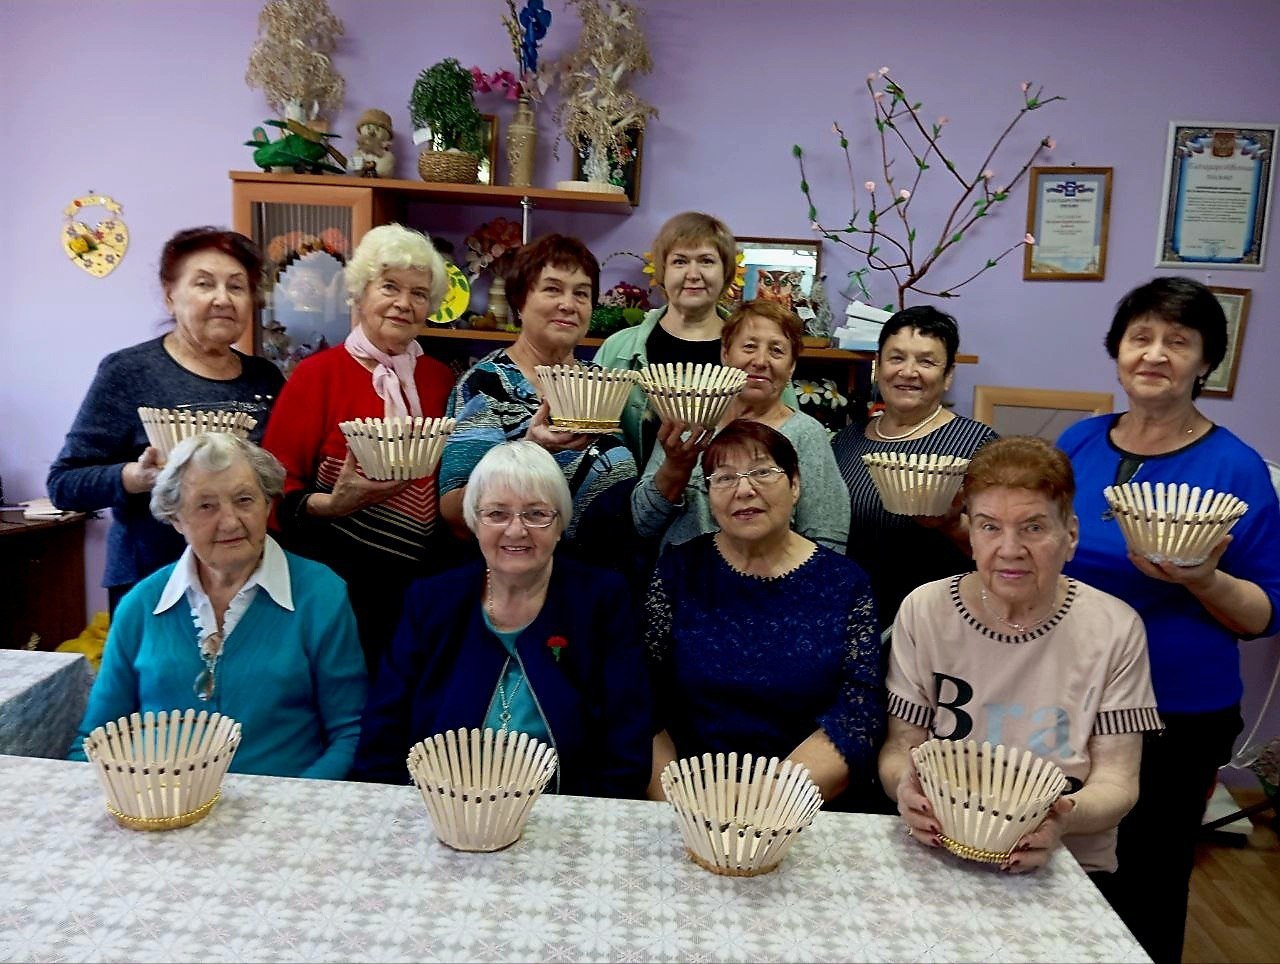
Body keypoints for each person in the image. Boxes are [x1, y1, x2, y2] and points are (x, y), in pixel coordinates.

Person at [1056, 277, 1280, 962]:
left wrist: (1204, 579)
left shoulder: (1235, 467)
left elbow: (1265, 614)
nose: (1155, 354)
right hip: (1066, 695)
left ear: (1205, 361)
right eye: (1141, 337)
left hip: (1175, 711)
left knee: (1147, 878)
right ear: (1118, 350)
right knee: (1057, 862)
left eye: (1178, 342)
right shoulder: (1080, 442)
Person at [879, 436, 1161, 878]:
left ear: (1070, 535)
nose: (1010, 549)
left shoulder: (1115, 628)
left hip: (1064, 862)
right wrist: (904, 788)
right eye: (990, 527)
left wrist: (1061, 818)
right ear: (971, 535)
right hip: (939, 848)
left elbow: (1118, 781)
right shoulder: (925, 610)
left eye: (1033, 527)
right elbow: (901, 748)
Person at [352, 441, 652, 798]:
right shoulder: (432, 600)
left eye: (536, 514)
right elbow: (383, 727)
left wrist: (585, 815)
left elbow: (627, 735)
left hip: (565, 807)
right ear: (474, 522)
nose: (516, 530)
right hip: (442, 806)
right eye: (497, 514)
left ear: (560, 524)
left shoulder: (601, 598)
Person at [68, 434, 367, 779]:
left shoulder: (320, 594)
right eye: (206, 506)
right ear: (175, 518)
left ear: (268, 504)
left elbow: (349, 734)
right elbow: (94, 740)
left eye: (244, 500)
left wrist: (292, 806)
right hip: (158, 803)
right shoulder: (141, 604)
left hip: (284, 803)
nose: (230, 522)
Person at [644, 421, 883, 808]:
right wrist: (680, 803)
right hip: (690, 798)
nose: (744, 490)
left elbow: (858, 711)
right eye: (724, 477)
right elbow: (642, 696)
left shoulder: (845, 583)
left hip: (798, 801)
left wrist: (765, 803)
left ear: (795, 485)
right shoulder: (678, 570)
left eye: (762, 472)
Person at [48, 226, 285, 612]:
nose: (223, 299)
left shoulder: (265, 378)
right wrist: (136, 477)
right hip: (151, 581)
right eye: (204, 284)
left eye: (237, 287)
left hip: (244, 578)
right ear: (170, 295)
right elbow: (64, 484)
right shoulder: (127, 372)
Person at [261, 223, 455, 671]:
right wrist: (331, 504)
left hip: (419, 594)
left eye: (419, 293)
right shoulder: (316, 376)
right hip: (334, 592)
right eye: (389, 287)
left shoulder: (440, 379)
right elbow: (270, 485)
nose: (404, 303)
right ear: (360, 292)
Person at [438, 234, 637, 572]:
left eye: (581, 293)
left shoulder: (601, 384)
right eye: (552, 289)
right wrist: (532, 449)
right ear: (520, 301)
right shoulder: (485, 385)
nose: (568, 304)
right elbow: (455, 511)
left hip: (609, 578)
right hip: (525, 578)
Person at [632, 299, 849, 554]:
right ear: (725, 354)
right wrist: (675, 469)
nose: (760, 361)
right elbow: (643, 523)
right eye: (749, 347)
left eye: (776, 351)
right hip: (682, 575)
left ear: (791, 366)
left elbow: (827, 541)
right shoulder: (688, 417)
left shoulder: (806, 434)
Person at [831, 305, 996, 631]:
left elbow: (1003, 548)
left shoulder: (978, 445)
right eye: (896, 358)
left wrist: (950, 525)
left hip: (938, 626)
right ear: (878, 366)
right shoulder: (846, 440)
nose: (908, 372)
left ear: (948, 375)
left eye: (926, 362)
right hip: (849, 620)